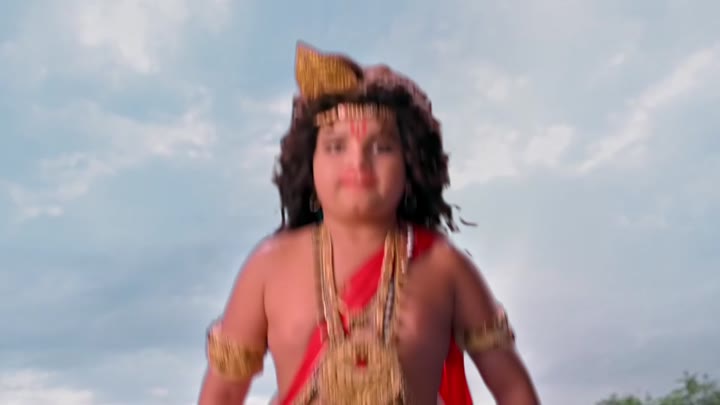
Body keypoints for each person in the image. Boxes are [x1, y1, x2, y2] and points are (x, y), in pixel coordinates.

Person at [198, 41, 539, 405]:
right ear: (308, 163)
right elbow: (224, 392)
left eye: (381, 147)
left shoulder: (444, 267)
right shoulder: (269, 267)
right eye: (336, 146)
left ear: (411, 165)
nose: (358, 163)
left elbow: (512, 389)